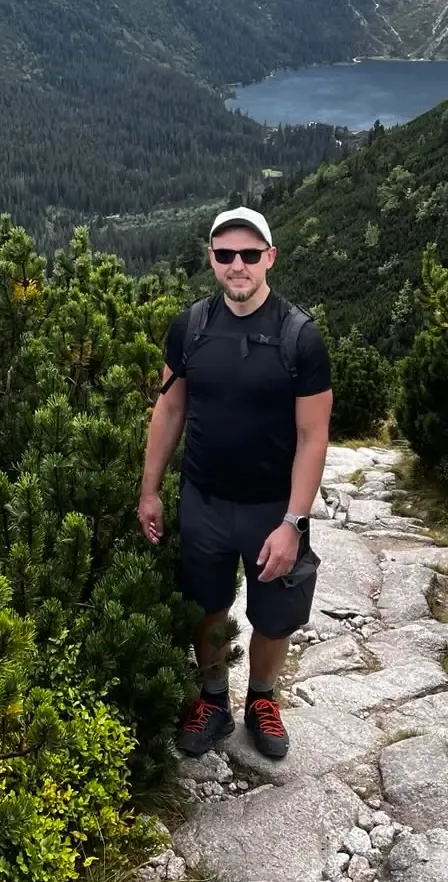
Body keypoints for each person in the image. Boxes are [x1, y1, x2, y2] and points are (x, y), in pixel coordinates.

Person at [138, 206, 332, 759]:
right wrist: (149, 490)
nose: (238, 265)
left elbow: (313, 436)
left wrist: (294, 521)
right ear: (212, 261)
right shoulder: (191, 327)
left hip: (273, 505)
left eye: (250, 254)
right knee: (207, 604)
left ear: (270, 257)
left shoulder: (300, 337)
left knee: (276, 614)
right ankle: (214, 698)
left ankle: (263, 700)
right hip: (204, 499)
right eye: (226, 255)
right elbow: (169, 409)